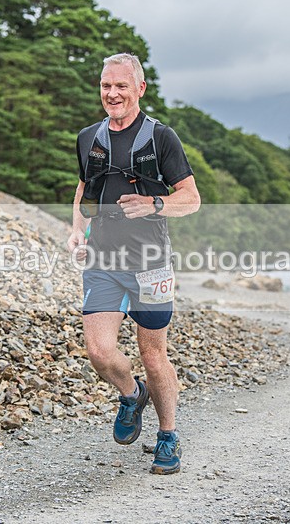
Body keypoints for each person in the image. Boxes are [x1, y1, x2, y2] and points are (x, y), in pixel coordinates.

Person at [67, 53, 201, 474]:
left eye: (122, 86)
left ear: (140, 89)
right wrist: (77, 231)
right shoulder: (89, 137)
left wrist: (155, 202)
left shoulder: (162, 138)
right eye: (107, 85)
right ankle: (131, 395)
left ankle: (168, 435)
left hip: (152, 263)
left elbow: (191, 199)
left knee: (153, 353)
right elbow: (84, 191)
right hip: (102, 260)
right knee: (100, 352)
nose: (113, 93)